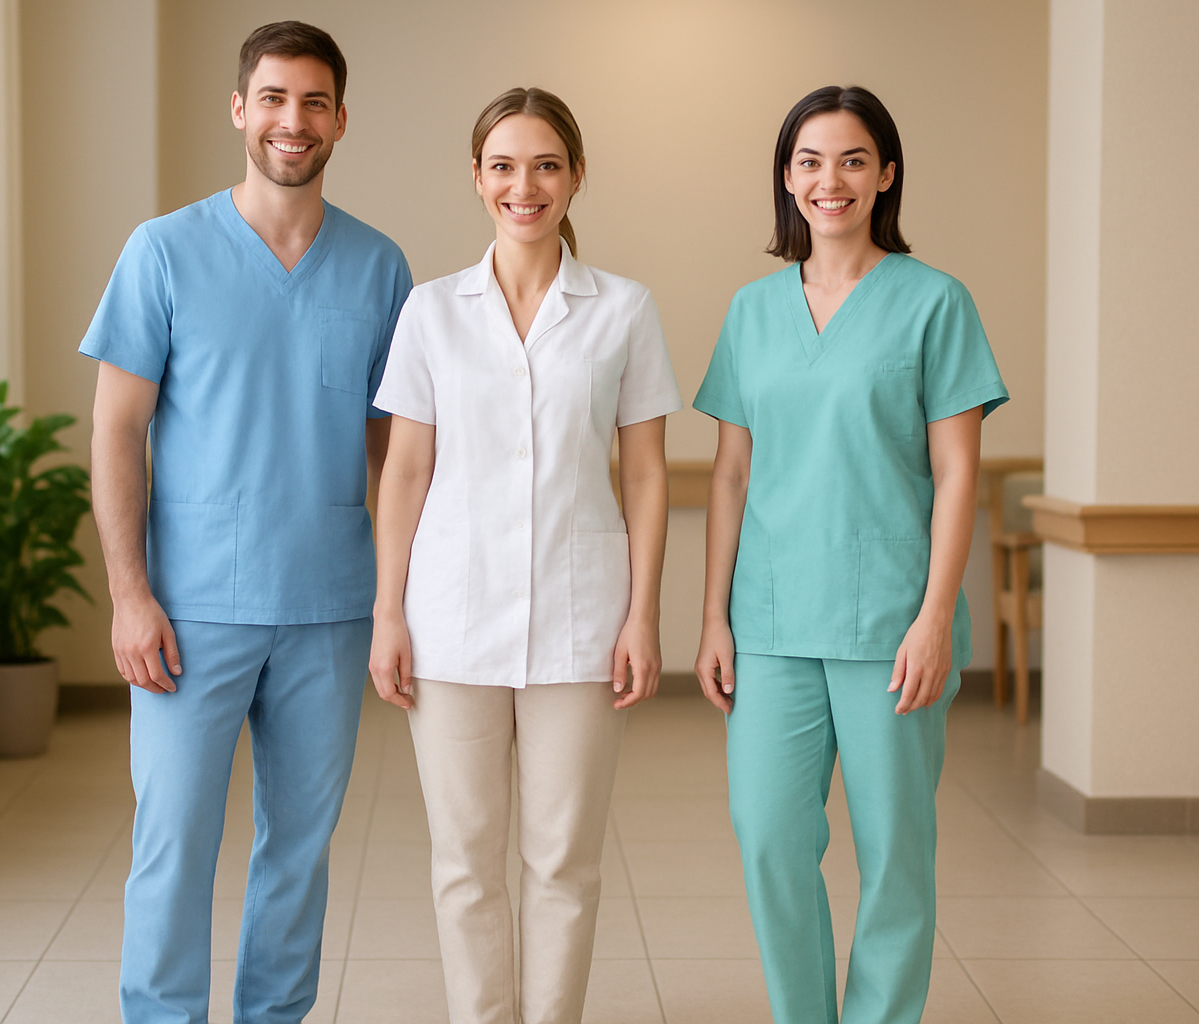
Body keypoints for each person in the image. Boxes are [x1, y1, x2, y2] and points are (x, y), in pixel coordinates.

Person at [79, 21, 411, 1024]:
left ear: (341, 120)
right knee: (174, 838)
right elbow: (117, 429)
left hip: (327, 605)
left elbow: (394, 456)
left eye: (313, 102)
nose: (292, 120)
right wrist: (130, 595)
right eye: (273, 98)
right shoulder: (164, 252)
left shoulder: (378, 267)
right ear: (239, 109)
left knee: (298, 847)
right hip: (191, 609)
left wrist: (398, 598)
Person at [693, 85, 1008, 1024]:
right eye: (809, 162)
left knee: (895, 851)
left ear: (886, 175)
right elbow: (729, 476)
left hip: (890, 626)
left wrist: (933, 620)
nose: (829, 181)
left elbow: (958, 475)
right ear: (787, 180)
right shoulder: (753, 311)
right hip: (774, 620)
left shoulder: (934, 303)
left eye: (853, 160)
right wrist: (712, 614)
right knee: (769, 840)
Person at [368, 87, 681, 1024]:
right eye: (503, 165)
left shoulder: (623, 308)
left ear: (576, 176)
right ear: (476, 179)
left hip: (582, 624)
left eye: (546, 164)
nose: (525, 185)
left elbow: (648, 476)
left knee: (564, 862)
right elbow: (406, 471)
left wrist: (642, 615)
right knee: (464, 864)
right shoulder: (432, 310)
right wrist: (389, 613)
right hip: (450, 623)